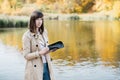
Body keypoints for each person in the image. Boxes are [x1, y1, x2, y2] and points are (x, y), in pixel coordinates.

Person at [22, 10, 56, 80]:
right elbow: (26, 56)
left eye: (41, 19)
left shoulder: (44, 32)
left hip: (47, 65)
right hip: (35, 68)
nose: (40, 21)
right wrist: (40, 53)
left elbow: (45, 48)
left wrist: (50, 49)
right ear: (32, 20)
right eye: (37, 19)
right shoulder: (27, 36)